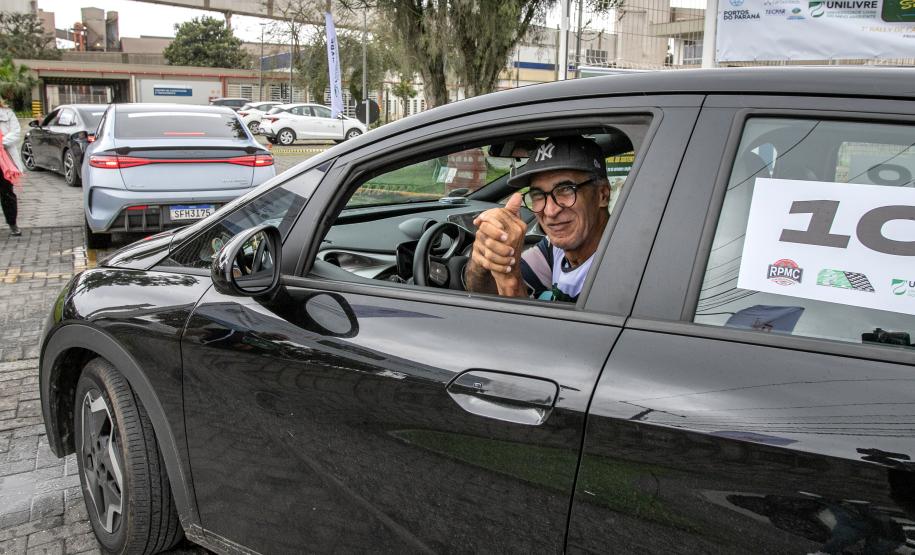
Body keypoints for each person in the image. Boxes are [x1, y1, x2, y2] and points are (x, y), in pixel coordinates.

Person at [465, 136, 611, 302]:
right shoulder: (554, 248)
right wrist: (483, 259)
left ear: (602, 194)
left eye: (565, 189)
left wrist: (510, 281)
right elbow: (486, 295)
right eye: (538, 195)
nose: (550, 211)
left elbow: (526, 328)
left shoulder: (621, 267)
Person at [0, 97, 23, 236]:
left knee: (7, 192)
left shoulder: (7, 114)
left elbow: (15, 133)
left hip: (5, 159)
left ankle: (12, 223)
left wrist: (0, 142)